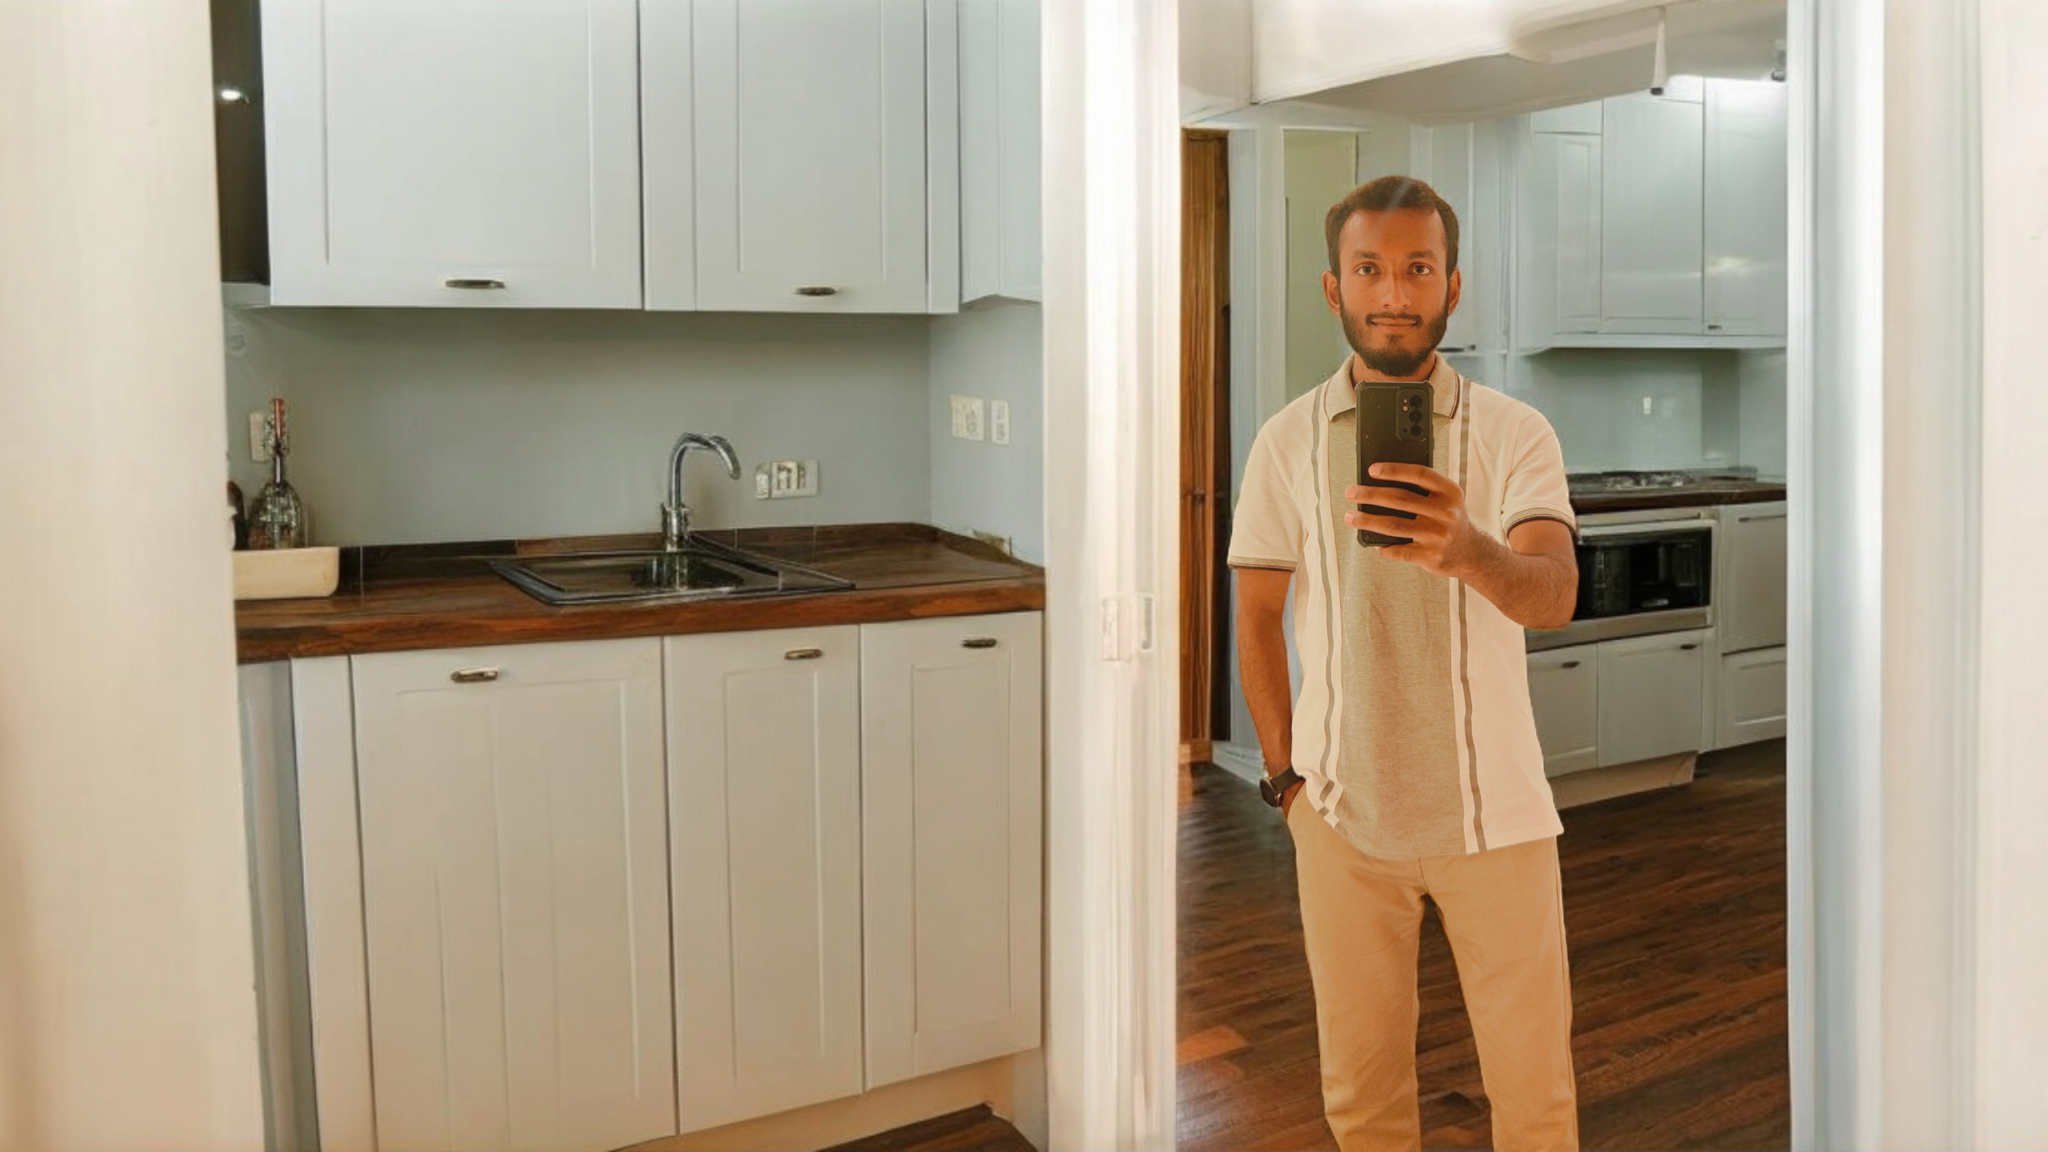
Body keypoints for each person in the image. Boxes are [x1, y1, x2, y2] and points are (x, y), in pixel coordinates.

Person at [1227, 175, 1582, 1152]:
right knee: (1362, 1098)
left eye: (1416, 269)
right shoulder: (1281, 442)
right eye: (1369, 268)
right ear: (1330, 288)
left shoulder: (1515, 435)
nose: (1393, 291)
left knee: (1535, 1101)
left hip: (1495, 820)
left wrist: (1467, 548)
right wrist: (1283, 784)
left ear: (1452, 287)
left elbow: (1552, 597)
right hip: (1340, 821)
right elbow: (1254, 614)